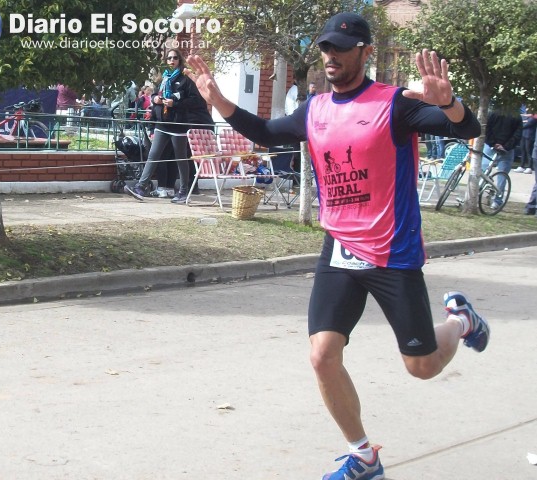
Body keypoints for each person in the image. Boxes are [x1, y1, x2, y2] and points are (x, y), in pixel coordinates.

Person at [186, 12, 486, 480]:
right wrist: (219, 100)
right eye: (326, 48)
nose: (331, 56)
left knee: (422, 366)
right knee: (322, 354)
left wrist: (449, 104)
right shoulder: (315, 108)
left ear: (365, 53)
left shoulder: (395, 104)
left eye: (341, 49)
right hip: (340, 248)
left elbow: (465, 130)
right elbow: (266, 133)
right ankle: (364, 456)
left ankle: (460, 320)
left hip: (392, 253)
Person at [125, 49, 213, 204]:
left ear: (179, 60)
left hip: (178, 125)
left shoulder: (186, 79)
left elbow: (196, 101)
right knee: (153, 155)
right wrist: (155, 99)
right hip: (162, 123)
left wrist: (175, 103)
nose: (172, 60)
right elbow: (154, 95)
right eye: (169, 58)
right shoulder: (164, 78)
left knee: (180, 158)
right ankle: (141, 187)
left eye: (175, 58)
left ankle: (184, 191)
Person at [482, 108, 523, 208]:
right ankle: (497, 201)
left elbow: (487, 128)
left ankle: (480, 192)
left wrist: (493, 143)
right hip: (506, 148)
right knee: (502, 176)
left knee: (483, 171)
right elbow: (517, 135)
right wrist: (506, 146)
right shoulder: (517, 116)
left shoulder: (493, 112)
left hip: (490, 146)